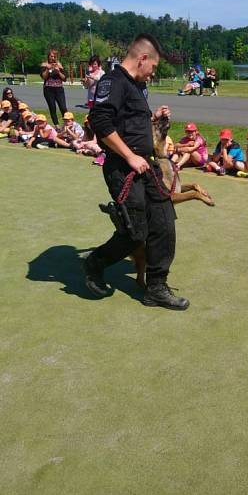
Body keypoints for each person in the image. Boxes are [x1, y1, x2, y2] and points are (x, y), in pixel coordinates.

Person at [84, 33, 189, 310]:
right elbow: (100, 120)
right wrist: (130, 156)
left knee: (164, 222)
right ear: (142, 59)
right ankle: (96, 262)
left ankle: (156, 287)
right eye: (153, 67)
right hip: (123, 168)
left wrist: (153, 118)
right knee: (135, 232)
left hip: (146, 165)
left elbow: (128, 122)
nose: (152, 74)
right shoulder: (113, 81)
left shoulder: (135, 86)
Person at [40, 49, 67, 125]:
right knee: (52, 108)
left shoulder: (59, 65)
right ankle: (57, 126)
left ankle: (67, 124)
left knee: (63, 108)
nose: (53, 58)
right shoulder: (44, 65)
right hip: (48, 89)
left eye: (54, 56)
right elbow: (44, 77)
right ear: (48, 57)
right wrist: (48, 69)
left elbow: (64, 78)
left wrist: (58, 71)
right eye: (51, 56)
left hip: (59, 89)